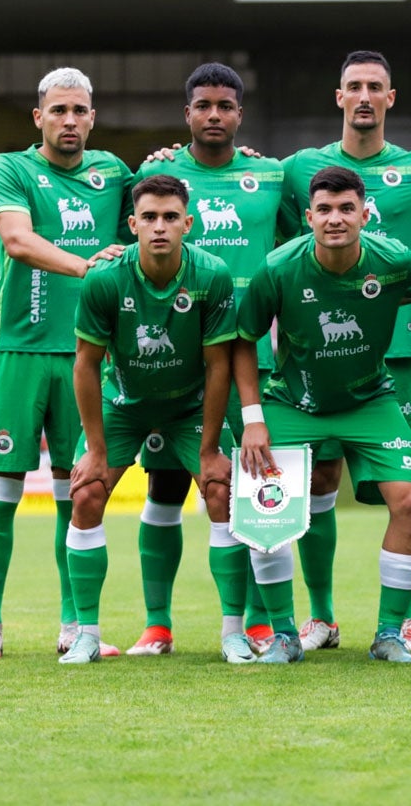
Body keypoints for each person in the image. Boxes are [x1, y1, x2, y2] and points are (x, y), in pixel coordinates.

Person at [234, 165, 411, 665]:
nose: (336, 219)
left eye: (347, 209)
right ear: (309, 216)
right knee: (267, 513)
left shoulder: (394, 260)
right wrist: (253, 417)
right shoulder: (278, 267)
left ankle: (390, 635)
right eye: (326, 210)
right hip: (293, 403)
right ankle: (286, 637)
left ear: (364, 213)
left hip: (370, 400)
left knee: (410, 500)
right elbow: (243, 340)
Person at [279, 51, 411, 654]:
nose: (362, 96)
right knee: (318, 479)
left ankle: (399, 620)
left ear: (390, 97)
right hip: (314, 362)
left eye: (373, 87)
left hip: (396, 355)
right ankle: (322, 616)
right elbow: (251, 204)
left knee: (401, 491)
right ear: (338, 97)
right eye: (352, 86)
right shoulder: (301, 167)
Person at [125, 62, 297, 658]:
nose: (215, 115)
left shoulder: (272, 176)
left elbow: (307, 246)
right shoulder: (156, 173)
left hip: (251, 355)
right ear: (188, 113)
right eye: (204, 105)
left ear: (240, 115)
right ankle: (157, 622)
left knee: (247, 493)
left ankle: (250, 620)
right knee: (166, 491)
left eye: (226, 106)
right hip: (169, 363)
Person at [0, 67, 133, 661]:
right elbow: (18, 241)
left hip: (86, 354)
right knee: (4, 489)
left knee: (78, 490)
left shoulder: (114, 172)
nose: (69, 120)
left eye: (79, 110)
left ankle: (73, 625)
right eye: (58, 110)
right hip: (16, 349)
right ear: (38, 117)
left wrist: (196, 152)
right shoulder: (10, 169)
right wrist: (87, 264)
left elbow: (168, 199)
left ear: (93, 117)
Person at [62, 174, 241, 664]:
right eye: (149, 218)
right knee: (86, 493)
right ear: (133, 224)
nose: (159, 227)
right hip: (125, 405)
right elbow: (85, 364)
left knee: (222, 492)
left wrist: (207, 450)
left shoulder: (213, 275)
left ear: (188, 223)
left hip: (188, 405)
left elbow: (219, 364)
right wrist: (96, 451)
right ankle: (87, 634)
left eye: (169, 218)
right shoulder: (104, 279)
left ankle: (232, 633)